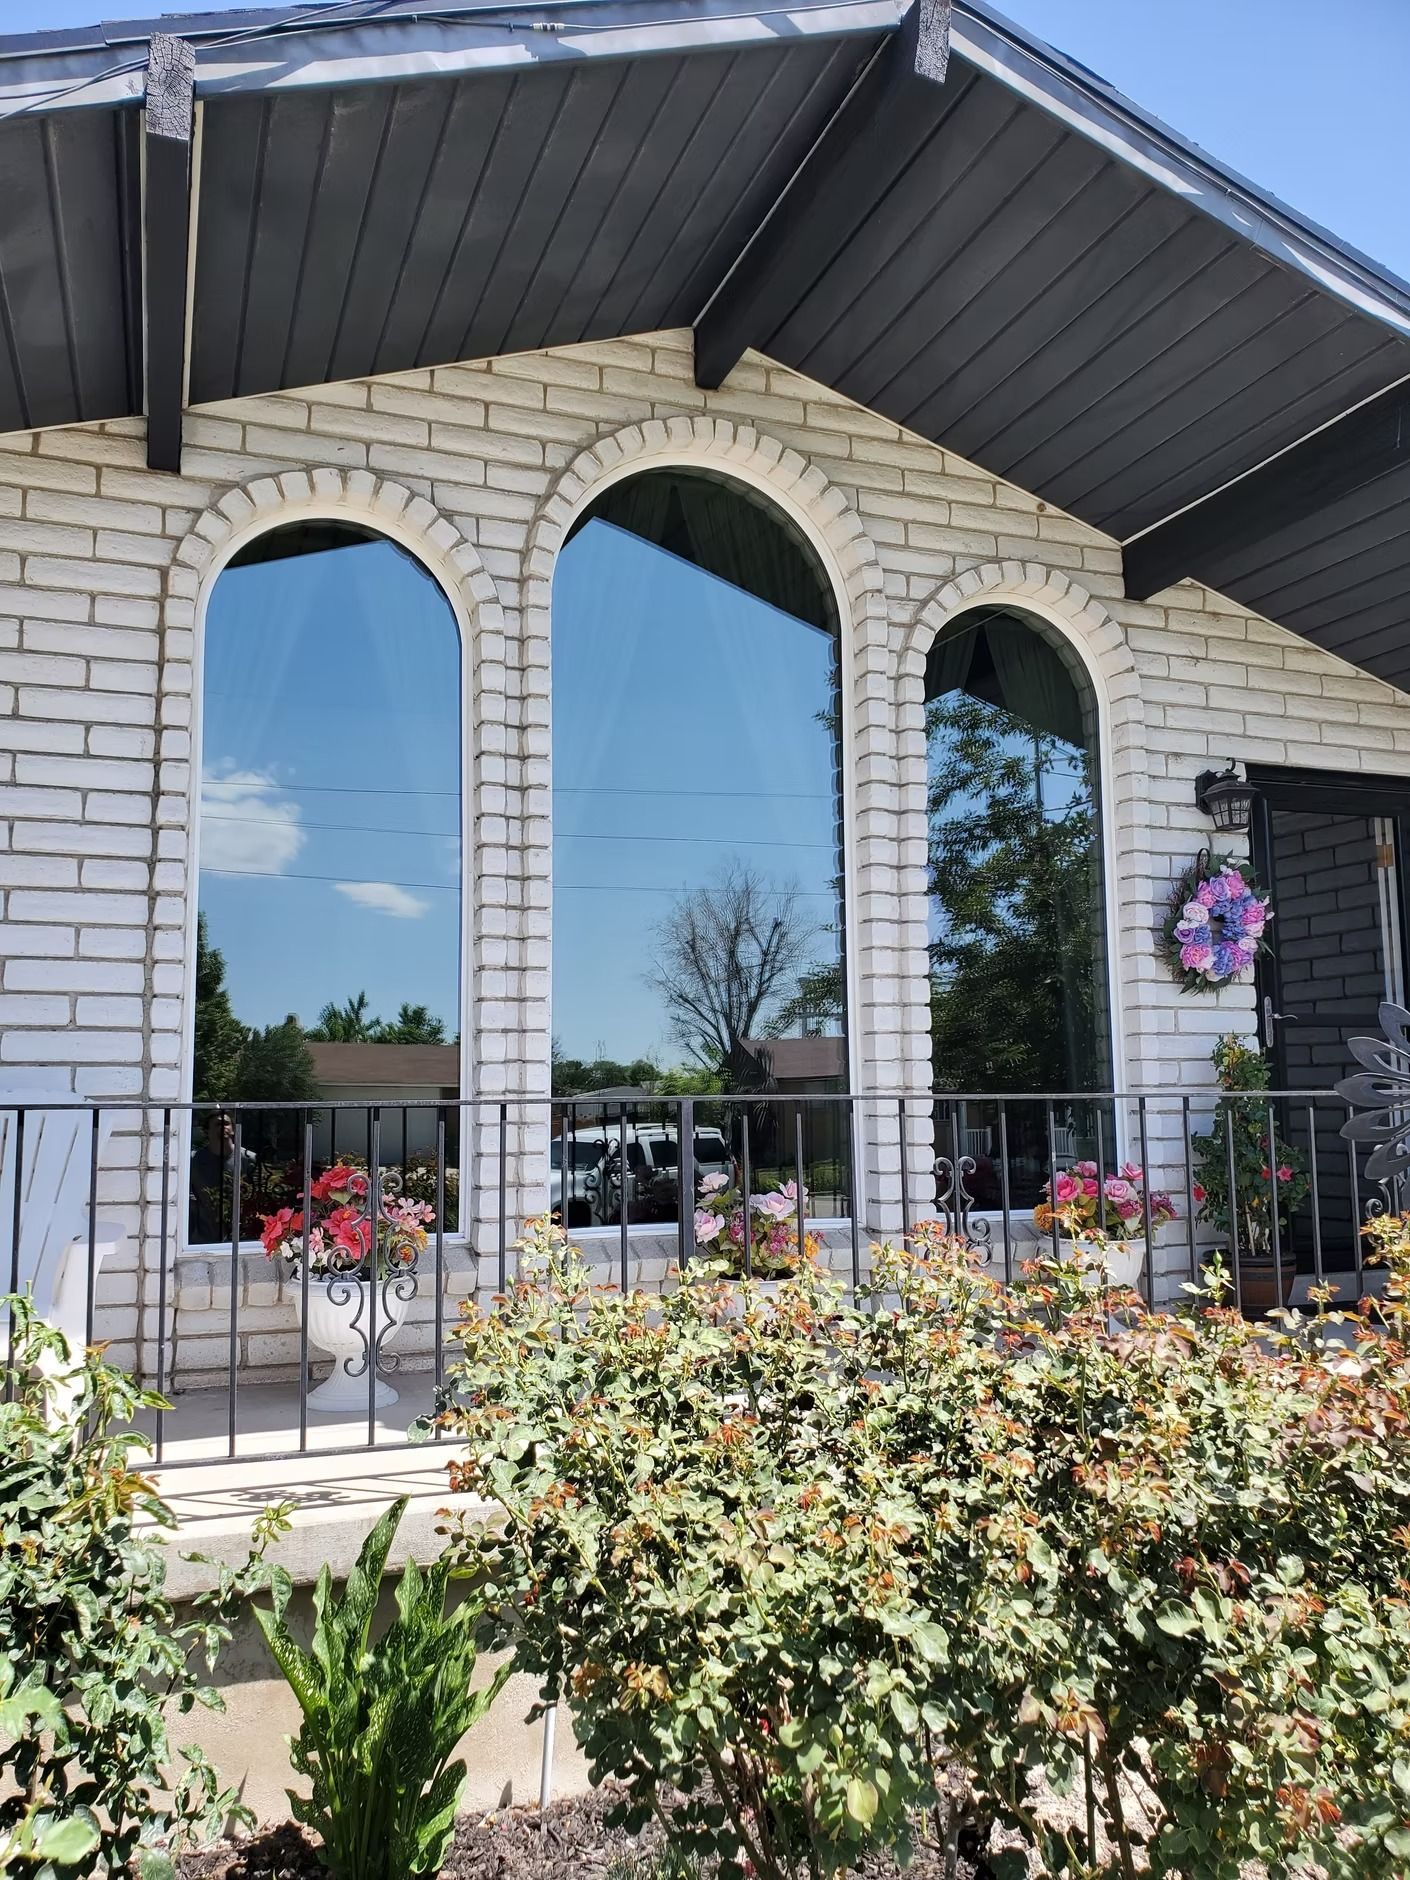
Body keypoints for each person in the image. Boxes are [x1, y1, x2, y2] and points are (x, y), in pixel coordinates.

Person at [188, 1112, 253, 1244]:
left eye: (226, 1123)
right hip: (203, 1237)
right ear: (207, 1131)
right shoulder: (193, 1161)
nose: (223, 1127)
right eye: (218, 1124)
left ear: (234, 1129)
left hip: (243, 1237)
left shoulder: (248, 1159)